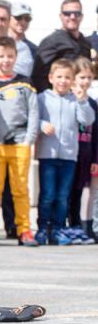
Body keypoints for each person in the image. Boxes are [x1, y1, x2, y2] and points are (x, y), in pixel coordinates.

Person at [0, 37, 39, 247]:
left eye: (10, 56)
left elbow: (34, 113)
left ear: (16, 56)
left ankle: (24, 230)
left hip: (20, 143)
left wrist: (29, 139)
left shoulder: (25, 82)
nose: (6, 60)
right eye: (1, 56)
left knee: (20, 189)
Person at [35, 59, 96, 244]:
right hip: (48, 154)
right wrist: (41, 124)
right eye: (59, 77)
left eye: (68, 77)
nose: (63, 81)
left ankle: (59, 228)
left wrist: (82, 100)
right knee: (47, 195)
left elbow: (87, 120)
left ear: (73, 81)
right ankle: (43, 227)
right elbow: (33, 119)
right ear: (51, 78)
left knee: (62, 196)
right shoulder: (42, 98)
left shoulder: (75, 100)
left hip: (69, 156)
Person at [32, 0, 92, 92]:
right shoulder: (51, 42)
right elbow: (38, 76)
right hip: (57, 99)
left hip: (80, 98)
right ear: (61, 16)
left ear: (82, 16)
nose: (72, 17)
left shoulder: (85, 43)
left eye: (77, 13)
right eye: (67, 14)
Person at [68, 57, 98, 243]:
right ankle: (62, 225)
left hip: (87, 153)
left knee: (80, 191)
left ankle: (80, 226)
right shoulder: (69, 99)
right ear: (73, 78)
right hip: (70, 153)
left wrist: (95, 158)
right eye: (81, 77)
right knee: (66, 191)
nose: (85, 81)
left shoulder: (93, 103)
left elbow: (96, 134)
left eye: (89, 77)